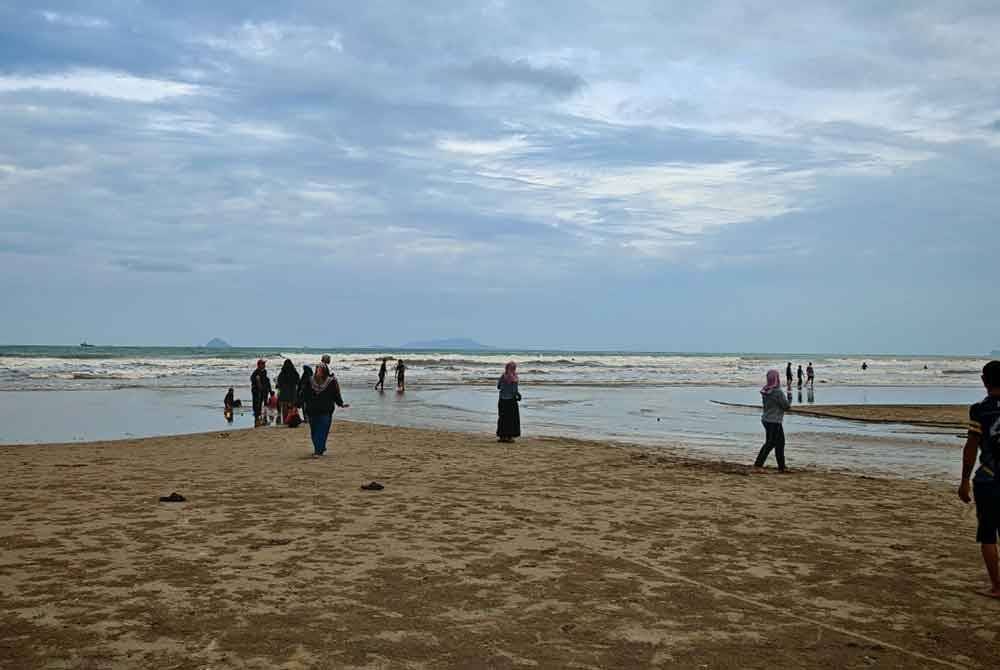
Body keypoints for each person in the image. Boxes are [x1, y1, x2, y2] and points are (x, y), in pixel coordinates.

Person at [958, 360, 1000, 597]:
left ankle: (997, 585)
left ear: (984, 381)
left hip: (989, 479)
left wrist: (964, 480)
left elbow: (971, 447)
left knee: (988, 534)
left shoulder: (980, 410)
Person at [301, 363, 349, 457]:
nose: (318, 371)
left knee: (323, 430)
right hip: (312, 410)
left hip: (326, 410)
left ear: (325, 371)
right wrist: (297, 404)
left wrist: (341, 403)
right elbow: (304, 394)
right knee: (314, 431)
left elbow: (335, 394)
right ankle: (319, 448)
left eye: (320, 369)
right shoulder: (310, 381)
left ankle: (318, 451)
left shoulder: (330, 382)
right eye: (317, 369)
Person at [754, 369, 791, 472]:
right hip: (774, 421)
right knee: (776, 443)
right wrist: (788, 402)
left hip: (766, 419)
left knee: (772, 443)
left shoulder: (765, 390)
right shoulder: (777, 392)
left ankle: (761, 464)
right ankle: (779, 467)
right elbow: (786, 406)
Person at [496, 361, 522, 443]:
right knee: (512, 419)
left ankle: (502, 436)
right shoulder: (514, 377)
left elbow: (498, 387)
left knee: (502, 418)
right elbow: (514, 390)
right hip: (511, 400)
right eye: (514, 367)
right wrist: (518, 395)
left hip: (502, 400)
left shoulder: (503, 376)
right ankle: (510, 437)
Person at [276, 359, 300, 425]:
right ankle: (292, 421)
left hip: (284, 393)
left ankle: (285, 421)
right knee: (292, 408)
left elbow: (279, 383)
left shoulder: (282, 373)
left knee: (284, 409)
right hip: (292, 392)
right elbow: (298, 381)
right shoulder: (294, 372)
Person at [250, 360, 271, 425]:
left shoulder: (264, 371)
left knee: (262, 402)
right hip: (256, 390)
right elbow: (252, 379)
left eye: (264, 364)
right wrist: (257, 382)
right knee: (256, 403)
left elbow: (266, 380)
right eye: (263, 364)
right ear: (259, 365)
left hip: (263, 390)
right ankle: (257, 416)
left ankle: (261, 416)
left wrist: (269, 389)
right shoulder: (256, 372)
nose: (264, 365)